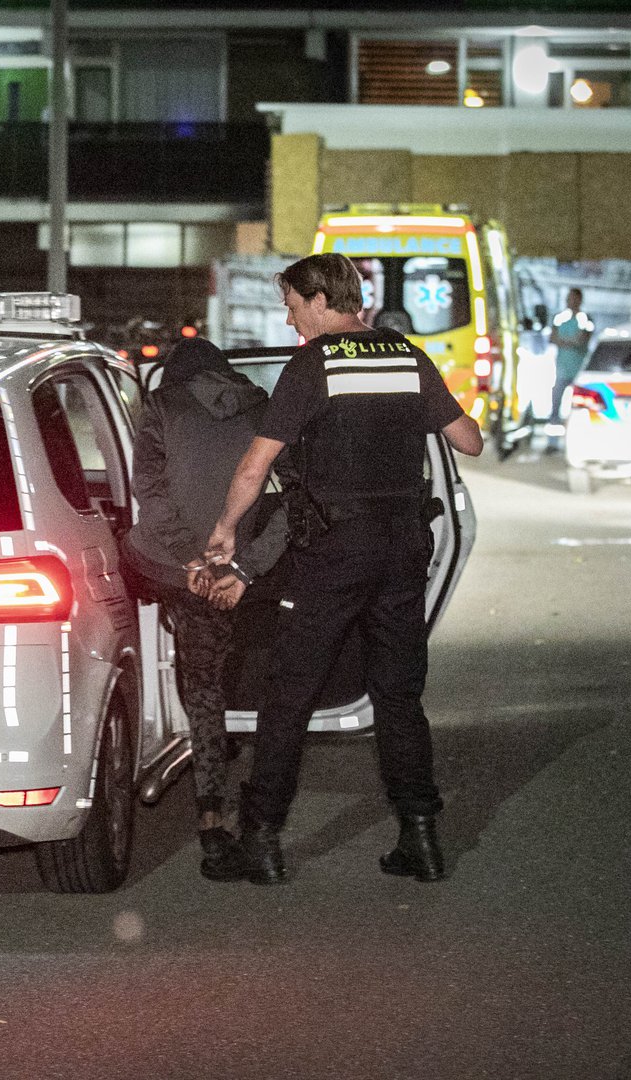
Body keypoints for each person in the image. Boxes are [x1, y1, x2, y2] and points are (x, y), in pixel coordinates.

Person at [204, 253, 484, 887]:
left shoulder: (312, 367)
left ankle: (263, 841)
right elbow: (468, 440)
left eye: (292, 304)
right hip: (402, 549)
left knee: (290, 693)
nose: (289, 315)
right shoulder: (406, 355)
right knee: (399, 697)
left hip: (332, 552)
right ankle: (421, 838)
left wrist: (224, 532)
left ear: (320, 300)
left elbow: (255, 466)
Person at [124, 336, 286, 882]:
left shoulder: (163, 408)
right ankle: (263, 827)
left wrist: (190, 561)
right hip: (253, 580)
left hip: (188, 578)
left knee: (204, 690)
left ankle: (212, 824)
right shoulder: (265, 405)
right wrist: (248, 566)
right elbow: (289, 496)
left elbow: (150, 490)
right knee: (268, 693)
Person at [547, 288, 595, 445]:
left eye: (574, 298)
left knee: (580, 408)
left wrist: (565, 340)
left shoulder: (586, 319)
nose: (571, 301)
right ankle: (552, 442)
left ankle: (580, 441)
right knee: (555, 406)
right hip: (561, 370)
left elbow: (582, 339)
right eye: (569, 298)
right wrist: (570, 341)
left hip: (579, 371)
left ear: (580, 300)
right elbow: (553, 338)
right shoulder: (559, 318)